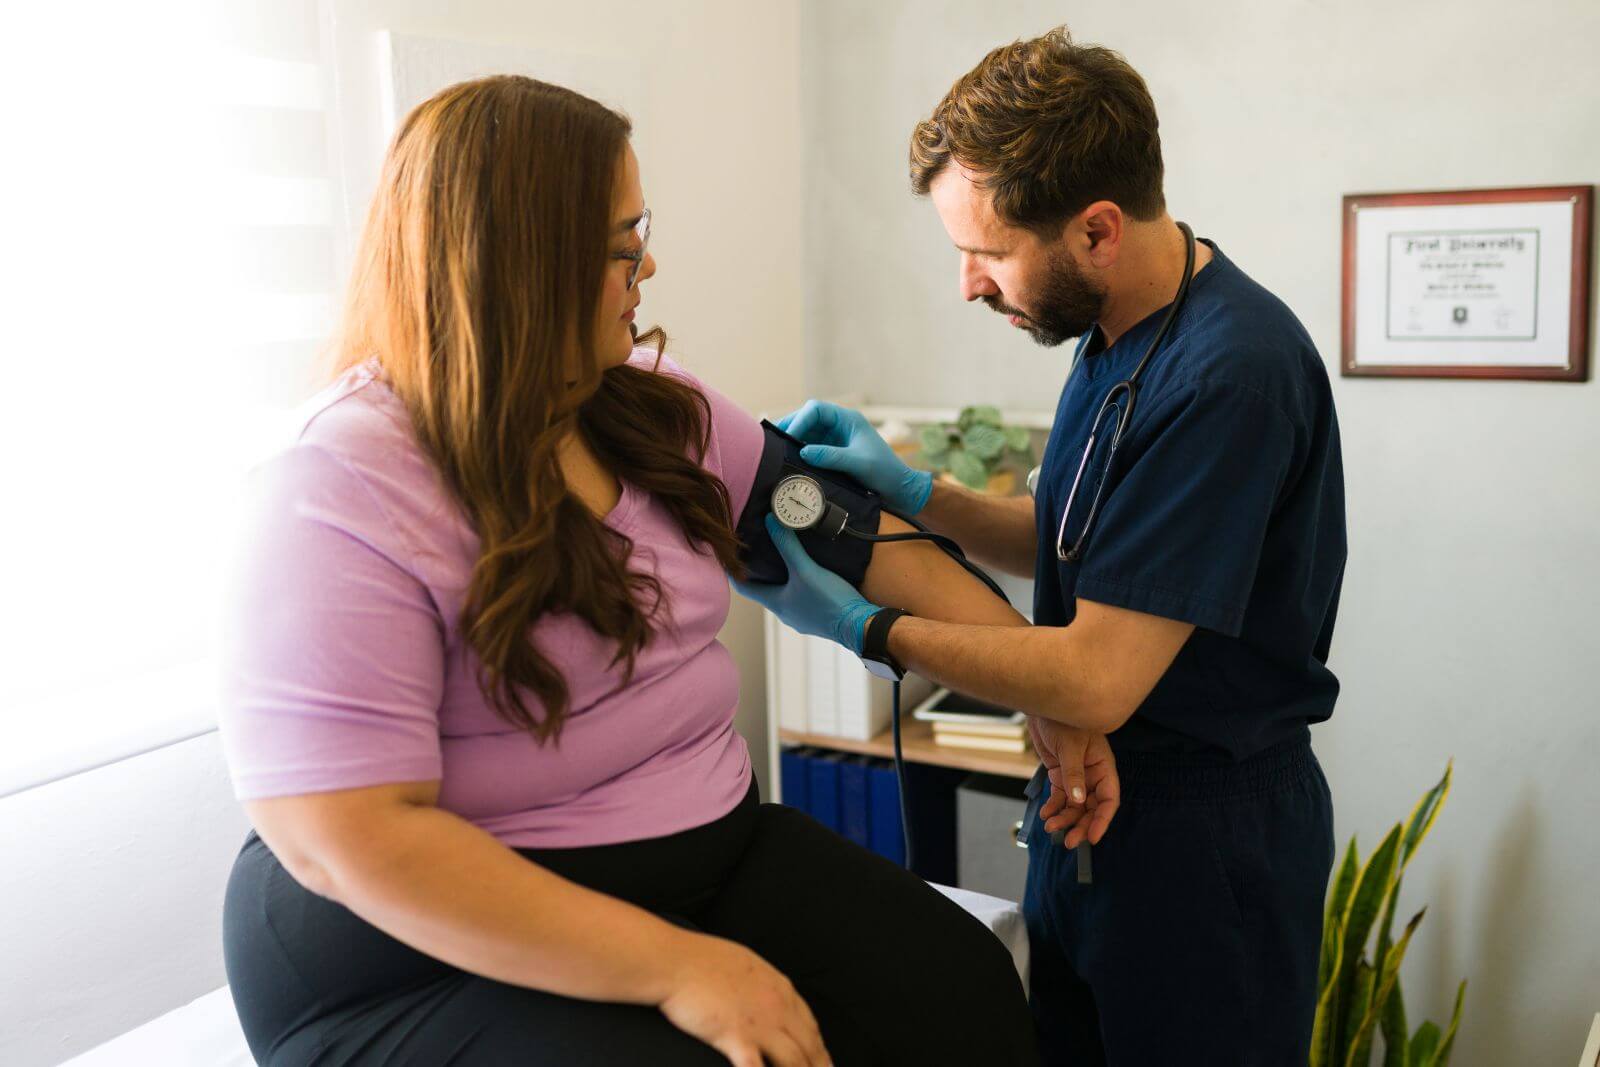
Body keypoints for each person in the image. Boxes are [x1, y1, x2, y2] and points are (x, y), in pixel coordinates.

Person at [218, 75, 1048, 1066]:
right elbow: (350, 837)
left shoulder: (643, 404)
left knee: (958, 983)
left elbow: (855, 536)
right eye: (620, 244)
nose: (646, 263)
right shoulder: (340, 485)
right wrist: (679, 967)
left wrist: (1044, 694)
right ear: (523, 264)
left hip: (704, 860)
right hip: (416, 945)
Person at [739, 27, 1346, 1066]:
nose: (969, 283)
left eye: (986, 253)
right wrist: (924, 491)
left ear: (1097, 230)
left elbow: (1097, 676)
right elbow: (1081, 538)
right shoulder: (1119, 326)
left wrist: (871, 626)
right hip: (1090, 811)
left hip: (1201, 848)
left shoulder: (1227, 375)